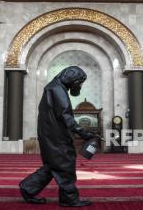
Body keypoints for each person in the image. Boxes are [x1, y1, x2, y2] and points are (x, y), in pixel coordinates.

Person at [19, 66, 96, 207]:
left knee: (53, 166)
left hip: (51, 135)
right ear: (72, 79)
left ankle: (28, 188)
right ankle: (69, 199)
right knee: (65, 165)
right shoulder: (57, 89)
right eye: (79, 82)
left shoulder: (53, 87)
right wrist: (83, 133)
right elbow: (65, 116)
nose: (79, 86)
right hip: (56, 137)